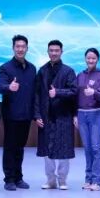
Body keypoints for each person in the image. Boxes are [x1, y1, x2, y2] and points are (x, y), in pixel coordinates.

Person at [34, 40, 78, 189]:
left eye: (56, 50)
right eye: (51, 50)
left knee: (64, 150)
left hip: (63, 115)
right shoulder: (42, 70)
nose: (53, 53)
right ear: (48, 52)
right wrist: (37, 115)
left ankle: (63, 180)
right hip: (46, 115)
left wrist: (57, 92)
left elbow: (74, 91)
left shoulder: (68, 71)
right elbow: (37, 94)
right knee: (47, 150)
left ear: (61, 52)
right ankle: (51, 180)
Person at [0, 34, 37, 191]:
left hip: (26, 115)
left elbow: (34, 93)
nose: (20, 49)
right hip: (11, 114)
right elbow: (0, 86)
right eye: (17, 46)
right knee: (10, 147)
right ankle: (9, 179)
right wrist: (9, 87)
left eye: (23, 47)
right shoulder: (5, 68)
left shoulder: (32, 68)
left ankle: (18, 177)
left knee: (20, 147)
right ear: (13, 48)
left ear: (27, 48)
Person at [75, 47, 100, 190]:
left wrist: (93, 92)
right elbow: (75, 96)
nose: (91, 60)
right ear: (85, 59)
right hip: (81, 114)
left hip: (96, 114)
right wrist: (75, 115)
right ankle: (88, 179)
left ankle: (97, 181)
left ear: (97, 60)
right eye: (88, 58)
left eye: (93, 58)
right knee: (87, 148)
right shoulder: (80, 75)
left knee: (96, 147)